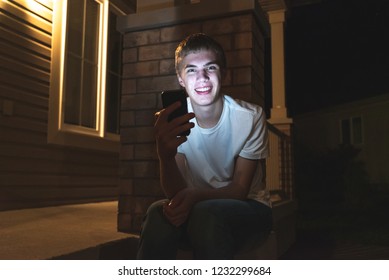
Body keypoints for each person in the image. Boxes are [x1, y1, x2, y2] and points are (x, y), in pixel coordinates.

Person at [136, 33, 272, 260]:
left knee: (206, 213)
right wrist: (165, 157)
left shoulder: (250, 117)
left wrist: (194, 196)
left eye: (211, 68)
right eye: (191, 70)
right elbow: (175, 194)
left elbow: (239, 190)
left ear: (223, 73)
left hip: (249, 209)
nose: (202, 77)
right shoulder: (173, 121)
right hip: (196, 209)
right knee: (157, 213)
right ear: (180, 79)